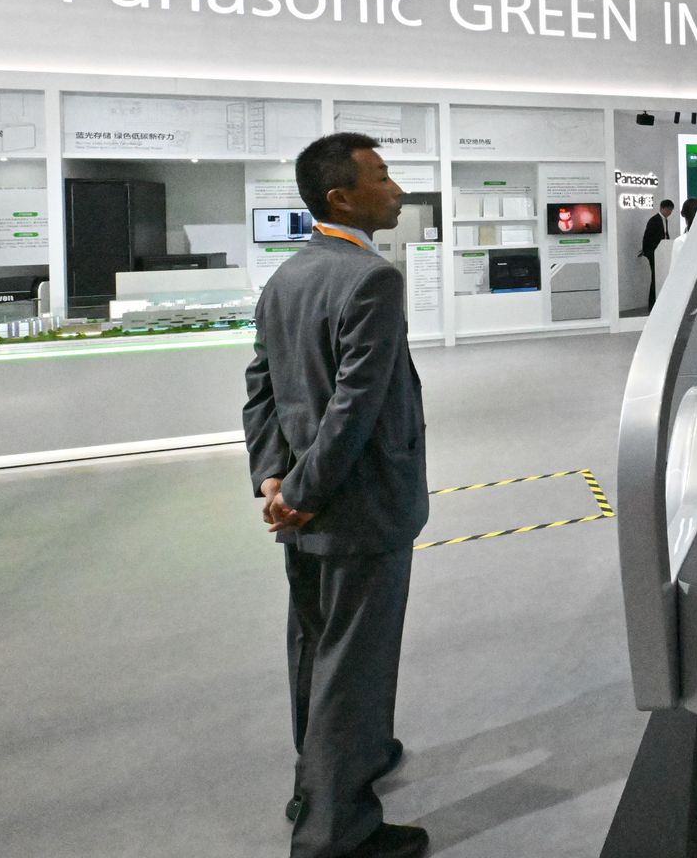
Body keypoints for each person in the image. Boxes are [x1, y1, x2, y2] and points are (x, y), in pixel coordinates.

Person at [243, 133, 430, 858]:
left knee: (316, 647)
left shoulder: (286, 277)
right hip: (359, 505)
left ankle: (330, 772)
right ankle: (336, 833)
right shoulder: (371, 280)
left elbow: (260, 384)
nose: (397, 189)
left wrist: (275, 481)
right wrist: (309, 491)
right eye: (382, 177)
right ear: (341, 198)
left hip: (304, 502)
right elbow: (357, 404)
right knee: (355, 660)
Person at [639, 198, 674, 308]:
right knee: (655, 277)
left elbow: (665, 235)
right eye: (669, 210)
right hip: (654, 253)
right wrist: (646, 251)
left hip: (661, 253)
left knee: (659, 276)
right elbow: (647, 237)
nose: (670, 212)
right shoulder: (654, 220)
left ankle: (658, 303)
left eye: (671, 210)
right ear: (663, 208)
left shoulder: (665, 220)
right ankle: (652, 304)